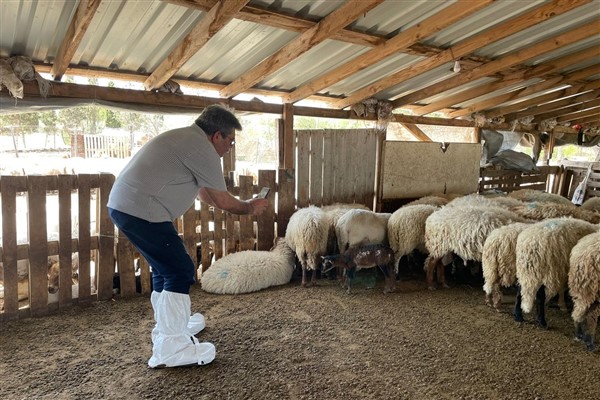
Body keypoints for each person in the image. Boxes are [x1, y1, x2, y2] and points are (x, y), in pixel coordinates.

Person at [107, 104, 268, 368]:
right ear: (217, 135)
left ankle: (171, 327)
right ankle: (171, 347)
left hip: (131, 207)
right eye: (230, 140)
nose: (230, 146)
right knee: (179, 270)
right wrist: (251, 207)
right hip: (141, 209)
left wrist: (242, 203)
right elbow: (224, 201)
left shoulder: (186, 139)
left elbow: (205, 193)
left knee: (165, 268)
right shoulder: (201, 149)